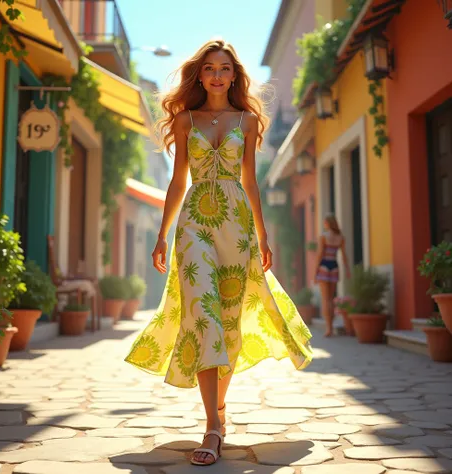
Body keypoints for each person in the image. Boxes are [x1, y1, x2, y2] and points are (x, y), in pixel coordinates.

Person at [125, 39, 313, 467]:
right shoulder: (185, 120)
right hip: (195, 223)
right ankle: (212, 426)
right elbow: (177, 182)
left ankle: (219, 415)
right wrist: (161, 235)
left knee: (227, 320)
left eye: (223, 68)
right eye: (208, 67)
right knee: (204, 315)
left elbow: (250, 182)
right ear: (200, 74)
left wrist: (263, 236)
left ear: (234, 75)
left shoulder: (247, 121)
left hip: (237, 226)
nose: (215, 75)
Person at [314, 215, 351, 337]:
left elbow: (319, 254)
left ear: (327, 223)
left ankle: (329, 328)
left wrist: (315, 272)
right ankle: (331, 326)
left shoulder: (323, 237)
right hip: (334, 266)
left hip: (324, 266)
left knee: (325, 300)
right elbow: (344, 256)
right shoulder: (341, 238)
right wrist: (347, 270)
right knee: (331, 299)